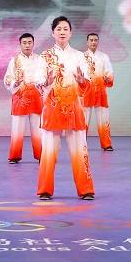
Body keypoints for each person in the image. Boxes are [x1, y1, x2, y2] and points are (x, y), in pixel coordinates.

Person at [34, 16, 94, 201]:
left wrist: (82, 81)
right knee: (48, 152)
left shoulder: (79, 56)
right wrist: (46, 82)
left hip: (74, 109)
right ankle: (45, 189)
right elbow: (38, 80)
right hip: (52, 110)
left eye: (65, 29)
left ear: (71, 33)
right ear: (53, 33)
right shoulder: (45, 56)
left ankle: (86, 189)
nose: (62, 32)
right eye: (58, 29)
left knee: (80, 151)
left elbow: (87, 82)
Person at [3, 33, 44, 164]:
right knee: (17, 129)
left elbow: (44, 77)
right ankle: (14, 156)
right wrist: (14, 83)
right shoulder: (14, 61)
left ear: (33, 44)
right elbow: (8, 78)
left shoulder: (40, 59)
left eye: (29, 42)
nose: (27, 45)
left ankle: (41, 155)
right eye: (24, 43)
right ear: (20, 44)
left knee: (38, 129)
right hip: (20, 98)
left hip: (37, 98)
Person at [82, 33, 115, 151]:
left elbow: (109, 71)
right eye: (91, 40)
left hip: (100, 92)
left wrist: (108, 78)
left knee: (104, 119)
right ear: (87, 42)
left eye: (95, 40)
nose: (93, 42)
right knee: (84, 120)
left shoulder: (104, 57)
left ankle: (107, 144)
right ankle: (82, 144)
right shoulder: (82, 57)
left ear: (98, 42)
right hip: (86, 92)